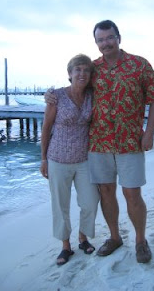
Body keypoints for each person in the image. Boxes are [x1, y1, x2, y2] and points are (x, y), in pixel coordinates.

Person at [45, 20, 154, 263]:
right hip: (98, 144)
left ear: (119, 37)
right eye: (100, 40)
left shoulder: (138, 64)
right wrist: (51, 96)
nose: (105, 43)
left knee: (133, 193)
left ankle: (141, 241)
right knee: (106, 192)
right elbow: (75, 88)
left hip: (130, 141)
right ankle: (114, 237)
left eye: (109, 38)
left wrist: (150, 131)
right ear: (96, 43)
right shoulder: (93, 68)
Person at [40, 54, 99, 265]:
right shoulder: (56, 96)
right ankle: (66, 246)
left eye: (86, 70)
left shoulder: (93, 95)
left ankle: (83, 237)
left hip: (84, 160)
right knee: (60, 205)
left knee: (91, 202)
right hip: (57, 159)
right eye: (78, 70)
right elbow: (46, 128)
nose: (82, 73)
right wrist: (43, 159)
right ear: (70, 73)